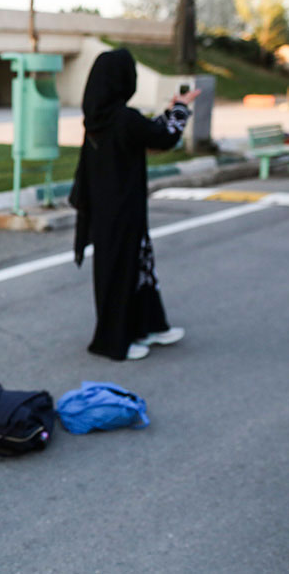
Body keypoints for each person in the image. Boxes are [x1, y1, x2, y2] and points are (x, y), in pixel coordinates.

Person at [69, 48, 200, 361]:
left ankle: (149, 326)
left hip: (113, 209)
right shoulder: (122, 119)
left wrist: (171, 112)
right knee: (121, 272)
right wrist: (180, 110)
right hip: (120, 211)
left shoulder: (102, 118)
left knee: (140, 267)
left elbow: (148, 132)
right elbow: (164, 138)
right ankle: (112, 341)